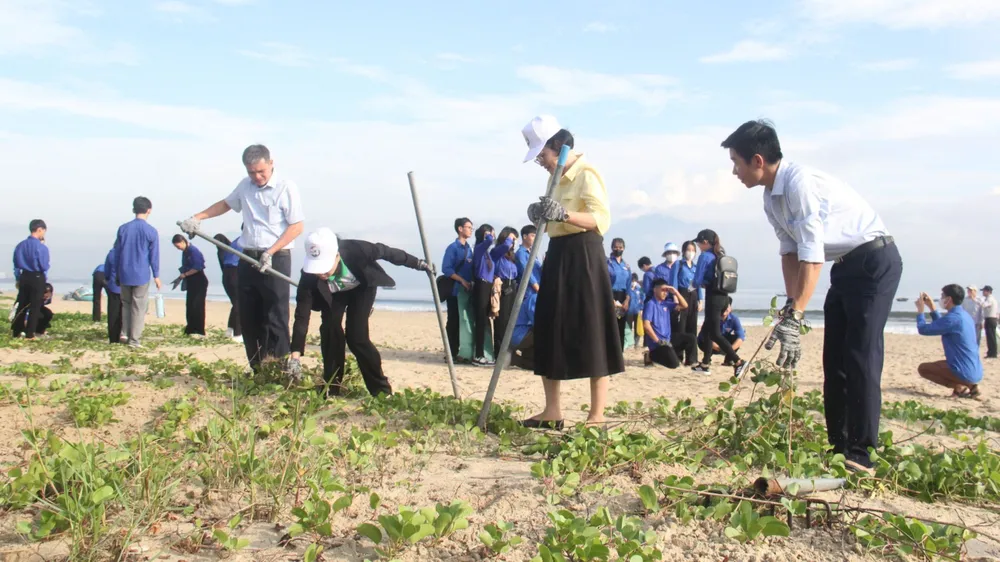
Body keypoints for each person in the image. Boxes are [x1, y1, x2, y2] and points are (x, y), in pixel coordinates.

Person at [721, 119, 902, 473]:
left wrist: (799, 315)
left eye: (736, 163)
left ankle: (862, 453)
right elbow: (790, 253)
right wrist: (791, 308)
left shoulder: (798, 183)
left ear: (757, 161)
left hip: (874, 261)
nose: (734, 172)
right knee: (833, 360)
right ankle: (839, 449)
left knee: (860, 356)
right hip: (844, 267)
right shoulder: (770, 198)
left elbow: (812, 252)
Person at [520, 114, 624, 429]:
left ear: (558, 146)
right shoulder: (554, 178)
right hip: (558, 253)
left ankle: (596, 415)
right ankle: (552, 410)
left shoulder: (586, 173)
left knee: (593, 327)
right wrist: (540, 216)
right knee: (549, 325)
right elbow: (551, 221)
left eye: (542, 154)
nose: (540, 161)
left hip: (585, 253)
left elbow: (600, 220)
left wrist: (564, 214)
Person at [180, 144, 305, 372]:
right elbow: (226, 204)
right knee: (249, 315)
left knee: (275, 315)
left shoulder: (286, 187)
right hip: (247, 257)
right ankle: (257, 368)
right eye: (251, 172)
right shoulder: (245, 186)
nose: (257, 177)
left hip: (276, 257)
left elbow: (296, 226)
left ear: (271, 163)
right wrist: (197, 217)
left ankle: (278, 370)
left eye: (261, 172)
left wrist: (271, 251)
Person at [288, 228, 431, 397]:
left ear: (337, 255)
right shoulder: (309, 276)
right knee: (330, 329)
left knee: (357, 337)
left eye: (325, 268)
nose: (321, 274)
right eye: (317, 269)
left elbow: (387, 252)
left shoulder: (357, 250)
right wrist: (295, 355)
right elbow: (302, 315)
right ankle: (332, 388)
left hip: (362, 288)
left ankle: (381, 390)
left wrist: (418, 264)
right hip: (334, 295)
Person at [691, 230, 744, 375]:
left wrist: (694, 285)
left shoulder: (705, 256)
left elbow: (697, 280)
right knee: (708, 330)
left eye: (699, 243)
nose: (698, 246)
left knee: (714, 333)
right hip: (724, 296)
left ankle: (738, 362)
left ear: (705, 242)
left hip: (713, 298)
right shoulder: (720, 253)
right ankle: (705, 364)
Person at [915, 286, 982, 398]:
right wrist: (932, 307)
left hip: (963, 369)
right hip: (975, 369)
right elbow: (942, 325)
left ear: (949, 299)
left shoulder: (954, 318)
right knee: (938, 366)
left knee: (923, 369)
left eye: (943, 296)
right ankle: (969, 386)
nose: (941, 298)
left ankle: (961, 386)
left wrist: (920, 311)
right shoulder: (964, 315)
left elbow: (923, 329)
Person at [114, 197, 162, 348]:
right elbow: (154, 255)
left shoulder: (123, 228)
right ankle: (134, 340)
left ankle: (125, 333)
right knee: (139, 307)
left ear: (134, 209)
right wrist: (156, 275)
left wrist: (116, 273)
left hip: (124, 272)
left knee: (126, 304)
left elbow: (116, 253)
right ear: (149, 210)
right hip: (141, 274)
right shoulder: (151, 231)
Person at [642, 279, 697, 369]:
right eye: (663, 290)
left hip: (668, 339)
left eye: (666, 291)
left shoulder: (666, 304)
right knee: (674, 364)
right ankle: (650, 356)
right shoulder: (650, 304)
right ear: (655, 290)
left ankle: (690, 363)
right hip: (658, 344)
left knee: (691, 338)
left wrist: (675, 292)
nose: (665, 293)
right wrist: (658, 341)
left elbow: (685, 305)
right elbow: (646, 325)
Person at [441, 218, 475, 363]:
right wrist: (461, 280)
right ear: (460, 229)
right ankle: (451, 353)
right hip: (455, 291)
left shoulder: (469, 249)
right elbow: (446, 269)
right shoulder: (453, 248)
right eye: (468, 227)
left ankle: (464, 352)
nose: (471, 230)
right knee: (453, 322)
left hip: (467, 291)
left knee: (465, 321)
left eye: (472, 228)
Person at [11, 219, 50, 339]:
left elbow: (16, 265)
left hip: (24, 276)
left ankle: (16, 331)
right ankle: (30, 333)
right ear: (39, 229)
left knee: (22, 304)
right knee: (35, 306)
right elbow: (44, 266)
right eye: (43, 231)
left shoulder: (20, 245)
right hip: (37, 276)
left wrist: (18, 279)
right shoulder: (41, 247)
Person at [170, 235, 209, 338]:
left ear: (183, 242)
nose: (178, 249)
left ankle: (199, 331)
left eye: (178, 246)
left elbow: (198, 267)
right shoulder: (185, 252)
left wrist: (185, 274)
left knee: (197, 306)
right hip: (191, 281)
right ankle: (191, 329)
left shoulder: (193, 251)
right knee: (190, 305)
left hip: (199, 280)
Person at [673, 240, 702, 366]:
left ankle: (691, 358)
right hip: (682, 294)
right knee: (681, 327)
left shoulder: (696, 267)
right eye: (688, 250)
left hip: (693, 296)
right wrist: (675, 298)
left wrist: (700, 300)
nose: (690, 252)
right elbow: (673, 281)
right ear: (684, 251)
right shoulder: (678, 264)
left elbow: (698, 284)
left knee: (692, 327)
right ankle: (678, 356)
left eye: (693, 250)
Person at [471, 224, 497, 366]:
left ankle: (484, 353)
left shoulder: (488, 253)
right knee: (480, 321)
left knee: (485, 321)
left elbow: (502, 247)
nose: (493, 235)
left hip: (487, 286)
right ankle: (478, 355)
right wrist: (488, 234)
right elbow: (489, 240)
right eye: (490, 233)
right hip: (481, 285)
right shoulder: (479, 248)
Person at [491, 227, 519, 356]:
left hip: (512, 286)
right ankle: (499, 352)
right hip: (502, 286)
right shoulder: (497, 252)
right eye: (513, 239)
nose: (514, 242)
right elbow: (505, 246)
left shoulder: (511, 256)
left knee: (510, 320)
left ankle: (508, 350)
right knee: (501, 320)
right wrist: (510, 239)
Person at [213, 233, 243, 342]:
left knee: (236, 303)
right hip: (234, 272)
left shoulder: (232, 244)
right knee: (239, 303)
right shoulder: (243, 241)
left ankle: (230, 330)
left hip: (227, 274)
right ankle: (238, 334)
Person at [699, 297, 745, 363]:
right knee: (707, 338)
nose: (725, 308)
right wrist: (719, 348)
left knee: (736, 338)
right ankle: (707, 359)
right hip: (708, 343)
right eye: (723, 306)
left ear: (730, 308)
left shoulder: (734, 319)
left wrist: (729, 350)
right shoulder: (711, 318)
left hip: (724, 342)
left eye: (727, 306)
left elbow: (741, 337)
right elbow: (703, 337)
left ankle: (729, 360)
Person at [608, 237, 631, 348]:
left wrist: (627, 300)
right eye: (616, 247)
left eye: (620, 247)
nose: (618, 249)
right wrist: (611, 299)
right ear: (612, 248)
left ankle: (620, 351)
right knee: (611, 326)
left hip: (623, 297)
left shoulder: (626, 266)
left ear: (624, 248)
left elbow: (629, 285)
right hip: (611, 295)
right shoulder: (608, 263)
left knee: (621, 326)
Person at [510, 288, 538, 371]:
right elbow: (539, 322)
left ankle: (518, 360)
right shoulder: (535, 298)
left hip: (527, 334)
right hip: (520, 334)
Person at [514, 224, 543, 295]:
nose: (535, 239)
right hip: (529, 292)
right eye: (533, 236)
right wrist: (537, 288)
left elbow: (538, 270)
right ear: (525, 236)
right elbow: (526, 273)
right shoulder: (521, 253)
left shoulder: (533, 253)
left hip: (537, 290)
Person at [104, 247, 124, 344]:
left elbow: (107, 271)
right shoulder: (127, 253)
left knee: (113, 313)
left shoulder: (112, 253)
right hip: (126, 287)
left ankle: (113, 338)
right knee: (124, 313)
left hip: (113, 286)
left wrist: (108, 279)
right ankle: (123, 334)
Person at [627, 272, 644, 350]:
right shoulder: (628, 288)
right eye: (632, 281)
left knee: (638, 328)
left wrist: (641, 309)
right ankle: (629, 343)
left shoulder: (640, 289)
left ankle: (636, 344)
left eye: (634, 281)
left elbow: (643, 298)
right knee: (628, 328)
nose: (633, 282)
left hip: (637, 311)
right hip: (629, 311)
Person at [981, 285, 998, 359]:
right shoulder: (990, 299)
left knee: (991, 337)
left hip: (990, 319)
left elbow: (984, 305)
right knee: (990, 336)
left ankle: (992, 353)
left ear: (988, 292)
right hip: (990, 319)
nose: (983, 292)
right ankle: (991, 352)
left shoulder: (990, 299)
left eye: (984, 291)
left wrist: (979, 301)